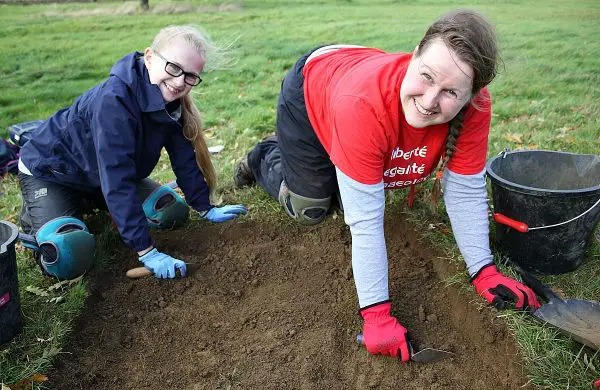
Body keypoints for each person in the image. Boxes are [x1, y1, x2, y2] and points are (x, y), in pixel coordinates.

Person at [234, 9, 540, 361]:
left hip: (351, 94)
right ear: (414, 53)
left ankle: (340, 155)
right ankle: (265, 155)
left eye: (450, 92)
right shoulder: (363, 105)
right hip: (313, 87)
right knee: (311, 208)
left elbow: (465, 189)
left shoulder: (477, 107)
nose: (429, 101)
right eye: (425, 76)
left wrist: (484, 271)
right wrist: (376, 315)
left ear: (472, 94)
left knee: (357, 185)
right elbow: (365, 223)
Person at [17, 25, 247, 280]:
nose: (180, 81)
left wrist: (205, 206)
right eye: (174, 67)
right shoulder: (114, 102)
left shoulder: (169, 101)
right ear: (150, 58)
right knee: (70, 253)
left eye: (191, 76)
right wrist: (147, 251)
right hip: (53, 172)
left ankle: (96, 205)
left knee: (171, 213)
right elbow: (117, 179)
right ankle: (35, 218)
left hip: (99, 174)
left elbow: (183, 157)